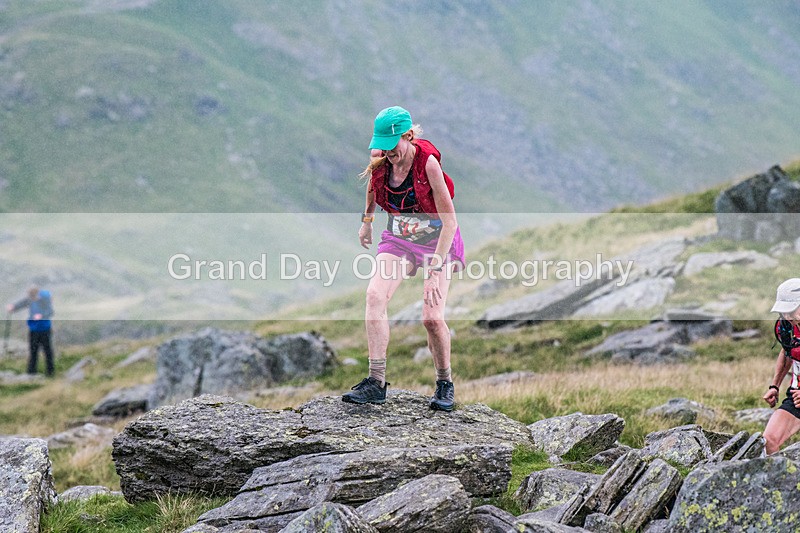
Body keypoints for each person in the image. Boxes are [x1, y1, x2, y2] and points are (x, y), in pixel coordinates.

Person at [343, 106, 464, 411]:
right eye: (381, 144)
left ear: (408, 136)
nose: (387, 151)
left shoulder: (429, 165)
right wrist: (366, 222)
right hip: (399, 238)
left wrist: (435, 268)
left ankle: (444, 383)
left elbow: (450, 222)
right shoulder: (381, 159)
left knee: (432, 318)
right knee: (374, 295)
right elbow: (373, 187)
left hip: (438, 240)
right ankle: (376, 382)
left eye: (392, 144)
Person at [763, 278, 800, 454]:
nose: (787, 316)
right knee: (769, 441)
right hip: (796, 396)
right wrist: (774, 386)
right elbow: (787, 353)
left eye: (791, 310)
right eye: (783, 311)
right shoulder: (786, 327)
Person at [6, 286, 55, 376]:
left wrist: (41, 316)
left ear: (37, 295)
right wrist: (13, 307)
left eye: (33, 297)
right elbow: (23, 303)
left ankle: (50, 372)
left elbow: (50, 311)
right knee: (33, 351)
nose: (32, 299)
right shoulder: (31, 299)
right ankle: (31, 372)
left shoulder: (45, 299)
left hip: (45, 329)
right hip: (33, 329)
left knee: (47, 351)